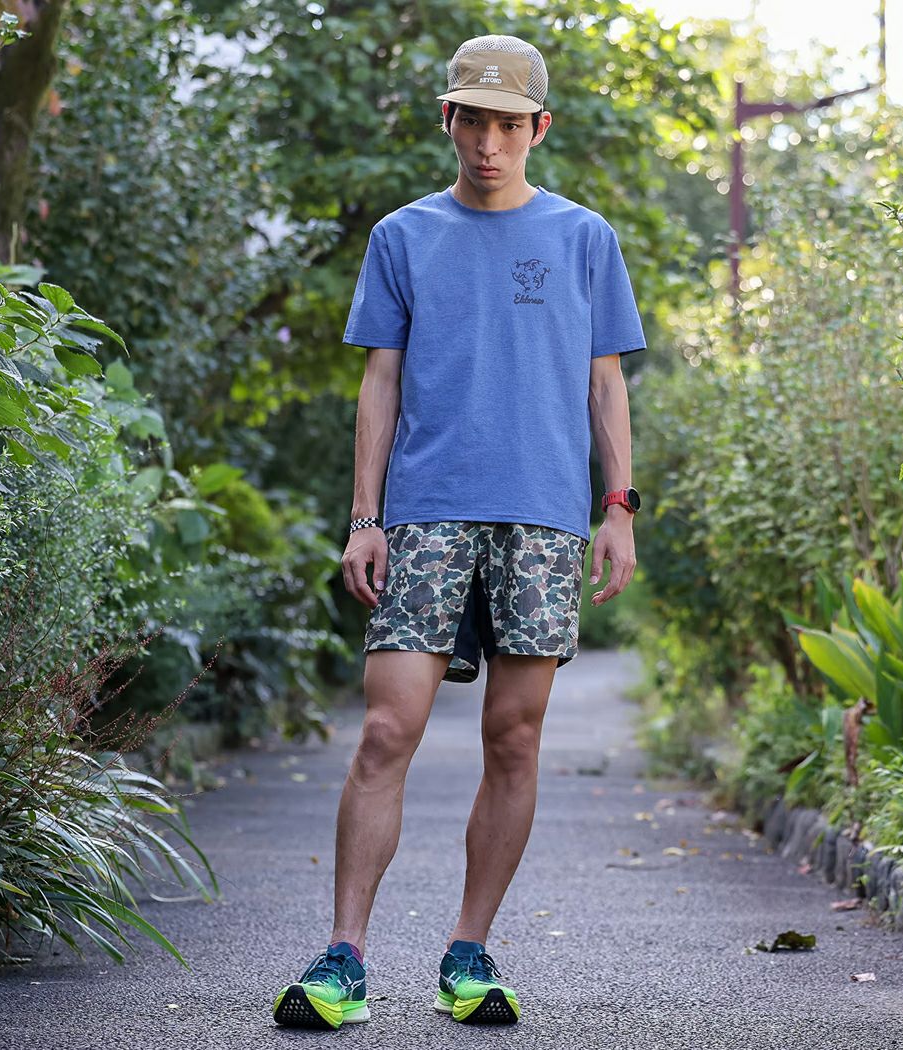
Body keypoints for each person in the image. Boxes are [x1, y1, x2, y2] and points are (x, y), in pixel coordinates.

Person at [272, 32, 645, 1031]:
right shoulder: (404, 236)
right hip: (427, 513)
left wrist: (618, 507)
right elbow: (380, 382)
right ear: (448, 119)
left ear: (539, 129)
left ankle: (469, 952)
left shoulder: (584, 238)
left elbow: (605, 382)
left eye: (508, 126)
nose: (488, 143)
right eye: (472, 121)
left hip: (543, 517)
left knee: (513, 738)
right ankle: (344, 958)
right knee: (386, 728)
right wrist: (365, 518)